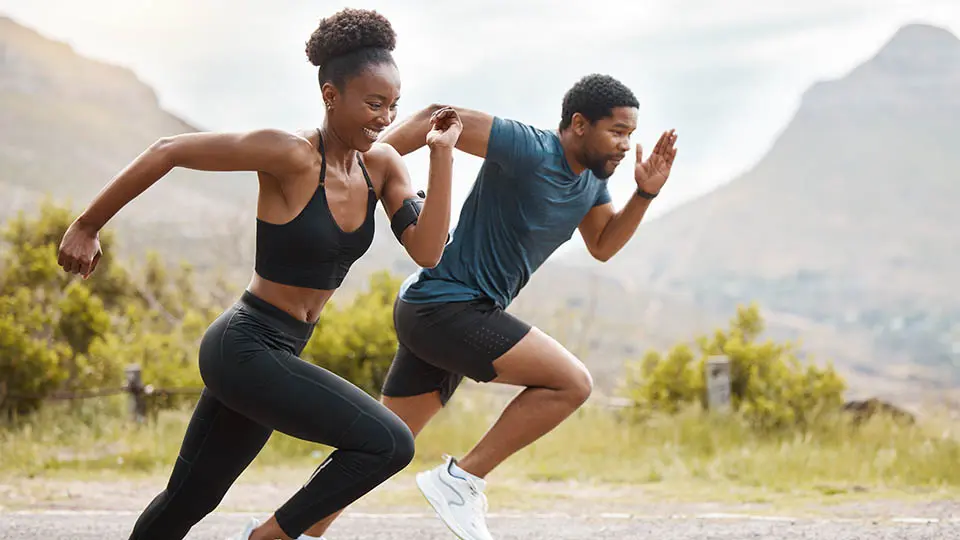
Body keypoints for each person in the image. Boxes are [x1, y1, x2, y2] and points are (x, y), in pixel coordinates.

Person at [55, 8, 463, 540]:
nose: (384, 117)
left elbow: (428, 251)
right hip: (245, 344)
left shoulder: (381, 165)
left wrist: (442, 156)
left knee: (188, 500)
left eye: (392, 105)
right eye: (372, 102)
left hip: (280, 350)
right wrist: (87, 225)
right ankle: (270, 536)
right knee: (390, 443)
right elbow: (168, 150)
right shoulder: (289, 154)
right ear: (330, 95)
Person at [298, 75, 679, 540]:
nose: (625, 145)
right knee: (571, 383)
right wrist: (357, 173)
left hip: (440, 313)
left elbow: (602, 244)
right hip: (449, 309)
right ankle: (461, 479)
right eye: (617, 132)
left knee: (382, 446)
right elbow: (436, 117)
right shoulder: (530, 148)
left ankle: (287, 532)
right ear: (579, 124)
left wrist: (645, 194)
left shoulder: (590, 187)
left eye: (630, 135)